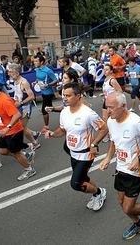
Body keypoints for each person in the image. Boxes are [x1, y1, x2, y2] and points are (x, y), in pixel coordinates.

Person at [100, 92, 140, 240]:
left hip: (136, 171)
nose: (108, 111)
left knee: (128, 207)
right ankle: (138, 224)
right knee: (122, 203)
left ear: (123, 106)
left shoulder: (136, 122)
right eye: (106, 107)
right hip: (120, 168)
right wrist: (108, 158)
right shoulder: (111, 121)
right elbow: (113, 141)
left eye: (111, 107)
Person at [45, 82, 109, 211]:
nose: (65, 98)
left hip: (86, 154)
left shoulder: (88, 113)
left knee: (76, 183)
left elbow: (104, 128)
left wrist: (94, 144)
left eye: (68, 96)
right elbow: (62, 130)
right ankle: (99, 192)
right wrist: (52, 134)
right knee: (83, 177)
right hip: (73, 152)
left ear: (78, 96)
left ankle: (98, 193)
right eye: (64, 95)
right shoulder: (64, 112)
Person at [0, 80, 36, 181]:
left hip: (12, 131)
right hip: (3, 131)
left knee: (15, 152)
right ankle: (26, 154)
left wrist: (8, 127)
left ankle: (29, 169)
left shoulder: (4, 100)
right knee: (3, 151)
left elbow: (17, 114)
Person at [8, 64, 41, 149]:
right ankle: (34, 134)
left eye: (11, 72)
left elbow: (32, 96)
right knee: (20, 126)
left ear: (17, 73)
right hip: (18, 107)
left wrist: (21, 102)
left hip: (25, 108)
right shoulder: (15, 81)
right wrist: (14, 99)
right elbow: (19, 94)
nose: (8, 73)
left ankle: (35, 143)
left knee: (21, 128)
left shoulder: (24, 82)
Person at [31, 55, 58, 133]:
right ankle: (63, 109)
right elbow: (38, 78)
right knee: (49, 108)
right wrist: (35, 82)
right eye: (34, 61)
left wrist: (47, 85)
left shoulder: (48, 70)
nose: (34, 63)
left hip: (49, 92)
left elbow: (55, 80)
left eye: (36, 61)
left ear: (41, 62)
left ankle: (47, 127)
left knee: (44, 110)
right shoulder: (37, 69)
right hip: (43, 91)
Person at [99, 64, 122, 143]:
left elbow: (120, 90)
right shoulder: (105, 79)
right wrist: (103, 94)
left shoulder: (112, 80)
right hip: (106, 101)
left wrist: (114, 98)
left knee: (113, 119)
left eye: (107, 70)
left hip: (112, 102)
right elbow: (108, 90)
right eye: (104, 69)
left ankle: (116, 133)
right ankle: (107, 134)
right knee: (105, 119)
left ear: (111, 71)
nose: (105, 71)